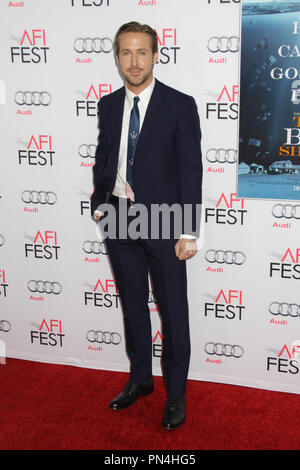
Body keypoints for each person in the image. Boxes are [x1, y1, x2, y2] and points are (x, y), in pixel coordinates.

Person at [90, 21, 202, 430]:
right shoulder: (107, 104)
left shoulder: (179, 104)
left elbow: (191, 171)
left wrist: (189, 230)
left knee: (173, 311)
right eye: (126, 53)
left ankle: (175, 393)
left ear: (156, 55)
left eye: (142, 52)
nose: (134, 62)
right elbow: (104, 160)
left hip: (166, 221)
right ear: (117, 57)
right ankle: (140, 380)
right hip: (119, 216)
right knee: (132, 305)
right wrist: (100, 205)